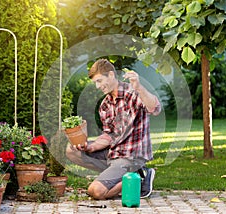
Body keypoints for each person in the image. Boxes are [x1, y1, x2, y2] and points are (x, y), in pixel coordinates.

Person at [66, 59, 161, 200]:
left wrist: (139, 87)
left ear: (111, 75)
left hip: (130, 156)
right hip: (114, 153)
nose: (97, 86)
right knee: (71, 150)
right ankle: (120, 176)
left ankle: (138, 179)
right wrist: (91, 147)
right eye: (95, 83)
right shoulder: (105, 105)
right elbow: (109, 135)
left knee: (96, 191)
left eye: (99, 81)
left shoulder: (132, 92)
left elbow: (155, 108)